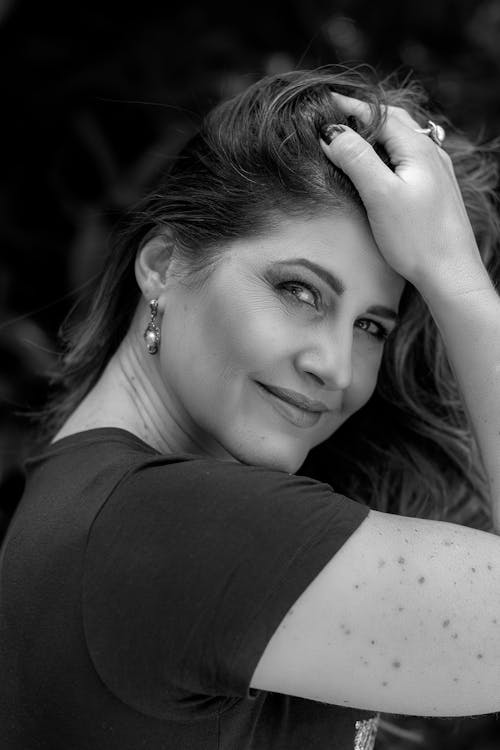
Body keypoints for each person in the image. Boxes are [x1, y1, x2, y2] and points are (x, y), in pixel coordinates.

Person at [1, 66, 500, 750]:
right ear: (165, 264)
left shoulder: (87, 504)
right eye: (300, 291)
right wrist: (455, 277)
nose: (335, 365)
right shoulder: (169, 528)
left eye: (372, 327)